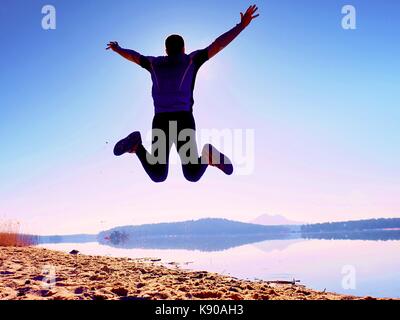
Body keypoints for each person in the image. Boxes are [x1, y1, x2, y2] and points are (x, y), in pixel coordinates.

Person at [107, 5, 259, 183]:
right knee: (192, 174)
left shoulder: (154, 63)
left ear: (166, 50)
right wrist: (241, 25)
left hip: (162, 120)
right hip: (182, 120)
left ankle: (137, 145)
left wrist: (118, 49)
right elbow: (218, 44)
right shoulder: (190, 60)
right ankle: (207, 156)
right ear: (184, 48)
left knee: (158, 175)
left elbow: (134, 56)